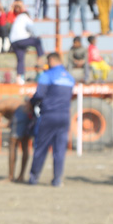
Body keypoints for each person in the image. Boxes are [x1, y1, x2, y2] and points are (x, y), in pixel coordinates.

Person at [28, 52, 75, 186]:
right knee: (60, 150)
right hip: (64, 116)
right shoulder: (70, 78)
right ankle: (57, 180)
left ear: (52, 60)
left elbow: (39, 94)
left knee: (41, 147)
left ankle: (34, 178)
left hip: (49, 115)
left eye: (48, 62)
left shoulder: (47, 75)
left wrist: (30, 102)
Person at [0, 96, 34, 181]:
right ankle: (21, 176)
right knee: (25, 145)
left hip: (20, 112)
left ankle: (10, 176)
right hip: (26, 109)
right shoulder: (1, 107)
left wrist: (5, 125)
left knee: (12, 145)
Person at [8, 0, 43, 82]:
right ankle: (39, 63)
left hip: (13, 42)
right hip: (21, 40)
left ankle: (19, 77)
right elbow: (32, 29)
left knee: (20, 59)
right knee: (38, 42)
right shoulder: (25, 17)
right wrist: (36, 36)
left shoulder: (18, 18)